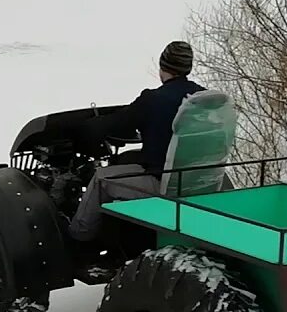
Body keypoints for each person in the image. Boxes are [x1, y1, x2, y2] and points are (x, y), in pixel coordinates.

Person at [68, 40, 204, 242]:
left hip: (164, 184)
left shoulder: (153, 100)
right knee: (130, 160)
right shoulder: (204, 97)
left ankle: (77, 238)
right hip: (201, 182)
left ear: (162, 66)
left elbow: (118, 124)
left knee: (101, 179)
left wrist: (88, 127)